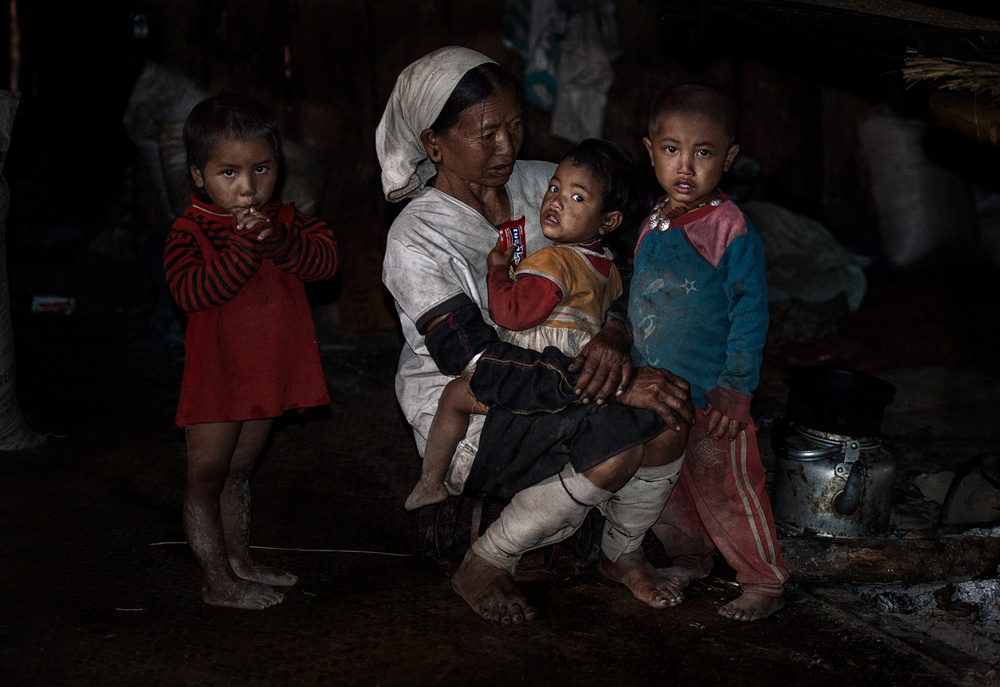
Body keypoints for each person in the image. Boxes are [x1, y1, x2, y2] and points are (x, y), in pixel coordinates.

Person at [379, 46, 695, 624]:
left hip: (567, 373)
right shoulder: (416, 239)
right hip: (473, 412)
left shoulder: (542, 185)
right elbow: (472, 358)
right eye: (486, 134)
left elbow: (613, 270)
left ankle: (619, 554)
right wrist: (606, 386)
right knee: (619, 444)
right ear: (433, 145)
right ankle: (485, 563)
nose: (508, 146)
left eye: (515, 125)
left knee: (672, 415)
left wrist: (617, 337)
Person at [405, 138, 648, 511]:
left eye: (577, 198)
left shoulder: (553, 261)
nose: (556, 201)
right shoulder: (609, 269)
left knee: (454, 396)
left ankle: (431, 482)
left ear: (610, 221)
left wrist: (498, 271)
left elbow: (512, 313)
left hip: (532, 368)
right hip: (576, 369)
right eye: (554, 187)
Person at [164, 93, 338, 609]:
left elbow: (325, 265)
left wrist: (279, 240)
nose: (247, 187)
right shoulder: (188, 232)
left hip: (264, 377)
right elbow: (193, 293)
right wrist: (244, 249)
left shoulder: (288, 221)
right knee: (206, 476)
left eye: (260, 168)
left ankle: (239, 561)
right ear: (198, 175)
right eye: (228, 173)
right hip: (216, 379)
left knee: (240, 473)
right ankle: (216, 582)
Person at [629, 83, 788, 622]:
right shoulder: (653, 220)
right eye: (672, 149)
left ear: (730, 158)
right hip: (659, 394)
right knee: (664, 488)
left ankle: (763, 579)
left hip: (713, 397)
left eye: (704, 152)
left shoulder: (729, 228)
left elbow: (750, 314)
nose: (685, 167)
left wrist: (735, 386)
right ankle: (689, 558)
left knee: (727, 488)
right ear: (650, 151)